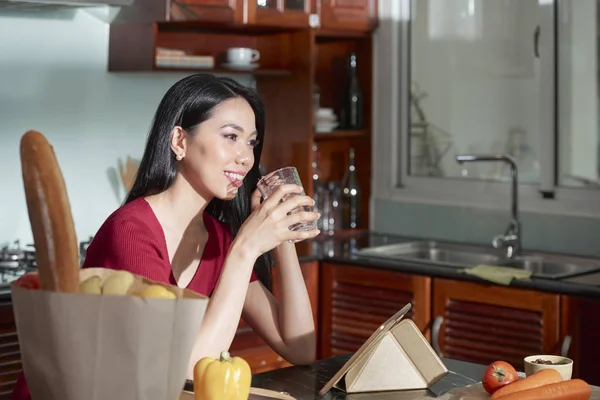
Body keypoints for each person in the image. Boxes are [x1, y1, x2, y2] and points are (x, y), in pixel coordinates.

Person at [11, 74, 320, 399]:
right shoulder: (130, 233)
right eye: (231, 136)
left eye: (251, 142)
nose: (246, 157)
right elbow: (180, 373)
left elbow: (300, 347)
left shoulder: (220, 238)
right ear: (179, 141)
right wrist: (246, 249)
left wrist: (282, 235)